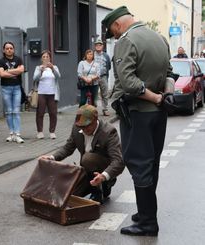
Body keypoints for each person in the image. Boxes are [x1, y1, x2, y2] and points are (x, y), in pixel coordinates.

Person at [102, 6, 174, 236]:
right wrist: (164, 97)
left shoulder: (126, 40)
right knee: (151, 162)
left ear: (117, 25)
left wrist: (152, 97)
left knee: (138, 163)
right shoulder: (159, 38)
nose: (114, 37)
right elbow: (170, 73)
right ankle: (145, 213)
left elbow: (129, 81)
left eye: (112, 32)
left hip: (138, 112)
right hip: (158, 113)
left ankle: (147, 223)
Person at [39, 105, 124, 203]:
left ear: (95, 120)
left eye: (87, 126)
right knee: (69, 195)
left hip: (104, 168)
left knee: (87, 159)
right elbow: (68, 148)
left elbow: (118, 161)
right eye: (81, 126)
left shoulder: (108, 132)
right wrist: (52, 158)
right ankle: (91, 185)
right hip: (86, 169)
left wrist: (104, 176)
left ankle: (102, 187)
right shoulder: (76, 128)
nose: (84, 129)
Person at [0, 41, 25, 143]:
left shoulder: (18, 59)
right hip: (6, 88)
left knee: (16, 111)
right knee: (9, 111)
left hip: (17, 88)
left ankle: (17, 134)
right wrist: (14, 72)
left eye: (11, 48)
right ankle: (11, 133)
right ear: (4, 50)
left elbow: (21, 70)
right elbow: (1, 74)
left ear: (13, 49)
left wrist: (7, 71)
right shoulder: (1, 61)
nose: (9, 50)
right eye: (7, 48)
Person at [32, 50, 61, 140]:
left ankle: (52, 132)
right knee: (40, 113)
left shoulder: (54, 67)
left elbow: (58, 76)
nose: (45, 58)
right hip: (41, 93)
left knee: (53, 113)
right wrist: (41, 71)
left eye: (47, 57)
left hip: (52, 93)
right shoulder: (38, 68)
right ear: (41, 59)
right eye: (44, 57)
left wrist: (52, 69)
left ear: (50, 58)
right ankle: (40, 132)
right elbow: (35, 79)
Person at [94, 39, 111, 116]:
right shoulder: (91, 55)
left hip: (103, 77)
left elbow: (109, 66)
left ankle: (105, 109)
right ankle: (93, 110)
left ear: (102, 46)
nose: (98, 46)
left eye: (100, 45)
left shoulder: (106, 55)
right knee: (94, 94)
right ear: (95, 46)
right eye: (97, 45)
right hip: (94, 77)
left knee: (105, 94)